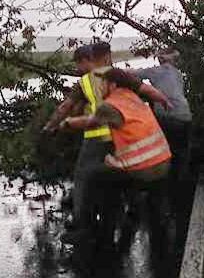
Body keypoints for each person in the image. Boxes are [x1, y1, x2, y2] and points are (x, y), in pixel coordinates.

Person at [42, 42, 170, 247]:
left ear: (90, 59)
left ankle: (84, 227)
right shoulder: (119, 75)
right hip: (119, 137)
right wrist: (164, 99)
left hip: (95, 137)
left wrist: (50, 127)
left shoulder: (85, 81)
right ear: (107, 56)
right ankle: (120, 215)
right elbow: (146, 89)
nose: (77, 68)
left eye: (79, 63)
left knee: (84, 179)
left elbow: (65, 107)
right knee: (113, 178)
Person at [129, 47, 193, 264]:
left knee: (160, 152)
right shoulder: (178, 74)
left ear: (160, 59)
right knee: (180, 155)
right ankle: (179, 190)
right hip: (185, 116)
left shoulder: (156, 71)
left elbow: (132, 77)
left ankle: (158, 191)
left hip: (168, 117)